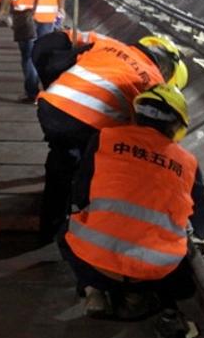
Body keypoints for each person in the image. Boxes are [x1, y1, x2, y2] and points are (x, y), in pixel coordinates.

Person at [59, 84, 204, 319]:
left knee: (64, 233)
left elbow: (80, 194)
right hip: (152, 271)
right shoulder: (187, 161)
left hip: (95, 262)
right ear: (176, 126)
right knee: (184, 274)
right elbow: (203, 213)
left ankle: (93, 290)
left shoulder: (105, 138)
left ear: (137, 115)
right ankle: (135, 296)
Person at [33, 34, 189, 244]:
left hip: (51, 105)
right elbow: (146, 134)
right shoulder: (153, 83)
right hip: (84, 122)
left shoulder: (111, 45)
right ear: (168, 72)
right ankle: (80, 222)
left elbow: (57, 54)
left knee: (62, 158)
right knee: (90, 167)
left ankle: (48, 228)